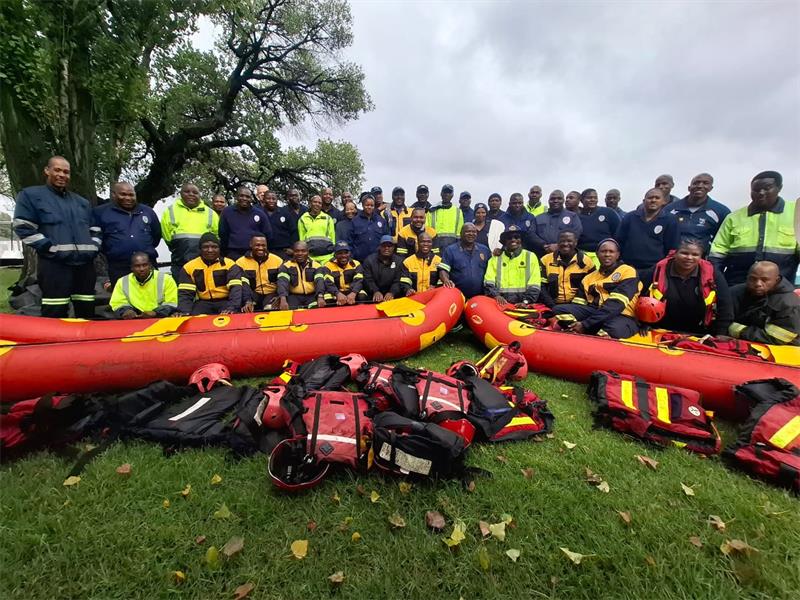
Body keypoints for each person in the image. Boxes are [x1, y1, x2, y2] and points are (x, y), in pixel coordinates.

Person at [13, 156, 99, 318]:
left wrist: (93, 248)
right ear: (47, 171)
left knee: (87, 310)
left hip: (85, 266)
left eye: (66, 172)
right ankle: (53, 343)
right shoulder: (31, 195)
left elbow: (95, 229)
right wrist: (50, 248)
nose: (62, 175)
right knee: (55, 310)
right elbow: (22, 227)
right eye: (57, 170)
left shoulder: (81, 202)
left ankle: (84, 343)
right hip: (54, 265)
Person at [710, 171, 798, 286]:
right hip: (738, 285)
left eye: (767, 188)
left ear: (779, 188)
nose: (761, 193)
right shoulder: (734, 217)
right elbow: (717, 253)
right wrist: (716, 282)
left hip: (781, 286)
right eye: (756, 190)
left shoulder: (795, 213)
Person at [641, 239, 733, 336]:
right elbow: (640, 296)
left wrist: (721, 333)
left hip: (699, 332)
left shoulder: (713, 274)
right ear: (674, 253)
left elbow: (725, 305)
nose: (689, 257)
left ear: (701, 257)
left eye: (695, 255)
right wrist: (644, 323)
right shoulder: (657, 270)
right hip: (660, 329)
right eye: (684, 253)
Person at [553, 239, 640, 339]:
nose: (607, 254)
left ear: (618, 255)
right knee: (558, 310)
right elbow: (579, 305)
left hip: (622, 315)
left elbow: (616, 304)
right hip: (595, 313)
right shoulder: (588, 278)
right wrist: (580, 323)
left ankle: (586, 331)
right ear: (597, 254)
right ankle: (577, 331)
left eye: (611, 251)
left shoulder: (628, 271)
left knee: (613, 329)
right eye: (603, 251)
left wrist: (586, 324)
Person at [93, 181, 161, 286]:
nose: (128, 198)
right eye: (123, 194)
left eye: (131, 195)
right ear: (114, 195)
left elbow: (156, 236)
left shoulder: (148, 212)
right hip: (118, 267)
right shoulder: (100, 213)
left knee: (151, 299)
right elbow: (95, 239)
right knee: (123, 300)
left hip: (147, 265)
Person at [729, 261, 799, 346]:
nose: (758, 284)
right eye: (753, 279)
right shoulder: (735, 292)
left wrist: (736, 329)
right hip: (741, 344)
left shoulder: (789, 304)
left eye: (764, 280)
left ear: (776, 280)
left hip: (779, 351)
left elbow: (777, 338)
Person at [616, 188, 680, 279]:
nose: (653, 200)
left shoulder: (670, 220)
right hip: (628, 268)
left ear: (664, 202)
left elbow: (672, 247)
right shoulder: (630, 217)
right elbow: (619, 241)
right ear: (644, 201)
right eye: (650, 198)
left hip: (655, 269)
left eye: (657, 198)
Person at [161, 182, 219, 280]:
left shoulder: (211, 213)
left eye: (195, 192)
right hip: (180, 262)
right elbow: (166, 235)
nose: (191, 194)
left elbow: (216, 236)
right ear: (181, 194)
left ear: (199, 195)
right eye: (187, 192)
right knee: (182, 291)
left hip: (205, 263)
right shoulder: (170, 211)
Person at [177, 233, 243, 315]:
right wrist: (184, 312)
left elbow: (236, 290)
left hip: (225, 302)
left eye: (214, 247)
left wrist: (232, 308)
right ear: (200, 249)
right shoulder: (189, 267)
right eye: (206, 247)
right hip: (203, 303)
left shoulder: (230, 264)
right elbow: (185, 294)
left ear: (219, 249)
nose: (210, 250)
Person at [667, 173, 730, 251]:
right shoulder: (670, 208)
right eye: (696, 183)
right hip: (672, 257)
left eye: (705, 183)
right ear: (689, 188)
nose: (700, 186)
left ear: (711, 188)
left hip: (703, 258)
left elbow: (724, 239)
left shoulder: (721, 211)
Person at [484, 226, 541, 307]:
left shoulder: (530, 256)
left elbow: (535, 283)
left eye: (516, 237)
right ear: (504, 241)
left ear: (521, 240)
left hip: (524, 304)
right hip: (500, 304)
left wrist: (526, 301)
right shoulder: (496, 258)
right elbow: (489, 282)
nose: (513, 239)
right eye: (509, 238)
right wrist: (496, 296)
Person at [110, 252, 178, 319]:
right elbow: (117, 303)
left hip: (160, 318)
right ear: (131, 268)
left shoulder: (166, 279)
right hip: (133, 320)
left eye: (145, 265)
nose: (141, 269)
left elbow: (172, 302)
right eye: (137, 266)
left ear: (150, 266)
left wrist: (156, 313)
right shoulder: (122, 281)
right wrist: (125, 311)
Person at [539, 231, 596, 307]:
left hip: (579, 305)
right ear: (557, 242)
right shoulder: (545, 260)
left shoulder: (587, 262)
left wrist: (575, 306)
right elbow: (542, 287)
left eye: (569, 241)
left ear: (575, 242)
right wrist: (551, 305)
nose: (565, 244)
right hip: (551, 304)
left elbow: (591, 287)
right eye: (562, 241)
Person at [218, 186, 272, 260]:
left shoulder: (260, 213)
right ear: (236, 197)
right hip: (233, 253)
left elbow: (267, 234)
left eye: (247, 197)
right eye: (241, 196)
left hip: (253, 254)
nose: (244, 199)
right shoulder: (227, 212)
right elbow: (223, 233)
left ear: (251, 199)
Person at [438, 223, 490, 299]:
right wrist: (446, 280)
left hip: (480, 298)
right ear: (461, 234)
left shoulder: (485, 250)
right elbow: (443, 270)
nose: (471, 234)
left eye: (474, 232)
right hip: (457, 297)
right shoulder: (450, 250)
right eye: (468, 231)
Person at [236, 235, 283, 311]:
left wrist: (279, 296)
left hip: (271, 293)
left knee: (269, 308)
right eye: (257, 245)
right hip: (252, 294)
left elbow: (283, 282)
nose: (261, 248)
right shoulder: (240, 262)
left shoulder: (277, 260)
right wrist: (247, 300)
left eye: (263, 245)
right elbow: (243, 285)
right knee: (247, 309)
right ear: (251, 245)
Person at [527, 189, 582, 255]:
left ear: (563, 200)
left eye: (559, 198)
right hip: (543, 254)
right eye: (552, 199)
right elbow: (531, 234)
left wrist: (559, 245)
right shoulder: (538, 218)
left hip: (566, 255)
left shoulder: (572, 216)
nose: (556, 201)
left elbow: (577, 232)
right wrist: (544, 245)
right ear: (548, 201)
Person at [276, 241, 327, 309]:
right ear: (293, 252)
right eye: (297, 251)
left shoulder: (316, 265)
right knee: (290, 311)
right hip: (294, 296)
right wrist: (283, 299)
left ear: (308, 252)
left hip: (312, 296)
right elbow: (282, 283)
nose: (300, 253)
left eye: (303, 251)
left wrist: (320, 296)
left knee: (316, 311)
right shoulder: (286, 266)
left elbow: (319, 282)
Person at [577, 188, 621, 257]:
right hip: (582, 254)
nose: (592, 200)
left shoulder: (609, 212)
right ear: (581, 200)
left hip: (605, 255)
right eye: (589, 198)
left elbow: (618, 234)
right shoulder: (576, 217)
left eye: (595, 198)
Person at [267, 188, 306, 260]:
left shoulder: (306, 210)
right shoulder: (284, 210)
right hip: (269, 250)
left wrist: (292, 248)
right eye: (291, 195)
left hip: (286, 250)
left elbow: (293, 231)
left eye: (296, 195)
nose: (294, 197)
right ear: (287, 198)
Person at [362, 235, 403, 302]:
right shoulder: (369, 260)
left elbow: (398, 280)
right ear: (379, 247)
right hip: (373, 295)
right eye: (384, 246)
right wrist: (375, 291)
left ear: (393, 247)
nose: (386, 248)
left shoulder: (399, 261)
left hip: (393, 296)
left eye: (389, 246)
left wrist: (392, 292)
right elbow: (368, 279)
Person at [298, 194, 336, 264]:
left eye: (319, 203)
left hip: (326, 257)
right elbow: (302, 239)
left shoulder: (328, 218)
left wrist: (332, 255)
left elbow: (332, 237)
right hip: (311, 257)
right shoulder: (303, 219)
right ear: (310, 203)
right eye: (315, 202)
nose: (317, 204)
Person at [350, 193, 389, 261]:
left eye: (372, 205)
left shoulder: (381, 221)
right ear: (362, 205)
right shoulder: (355, 221)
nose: (369, 207)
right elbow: (350, 241)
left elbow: (386, 239)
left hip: (378, 260)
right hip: (360, 260)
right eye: (367, 205)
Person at [427, 184, 463, 249]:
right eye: (445, 192)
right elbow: (427, 229)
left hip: (452, 247)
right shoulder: (432, 210)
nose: (447, 194)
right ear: (441, 194)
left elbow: (460, 233)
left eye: (449, 192)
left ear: (452, 195)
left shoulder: (458, 211)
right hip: (434, 246)